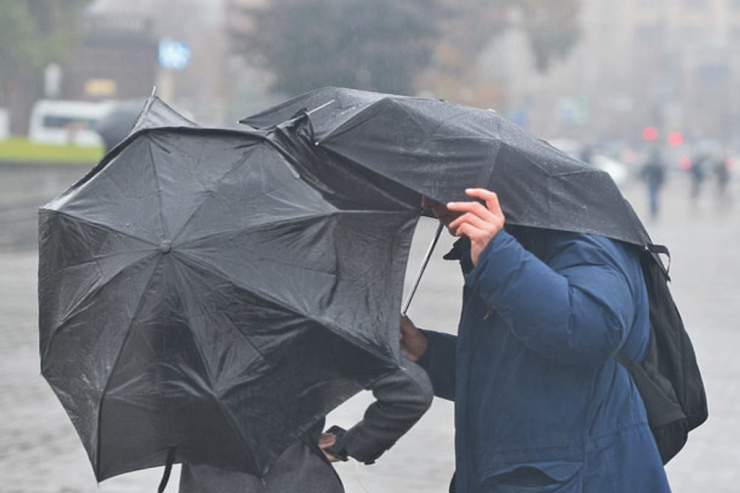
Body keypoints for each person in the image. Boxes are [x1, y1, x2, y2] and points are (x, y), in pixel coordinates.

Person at [400, 188, 672, 492]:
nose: (425, 202)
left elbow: (592, 332)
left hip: (579, 478)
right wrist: (427, 352)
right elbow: (514, 373)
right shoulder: (509, 240)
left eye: (438, 185)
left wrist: (497, 256)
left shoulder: (584, 237)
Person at [178, 352, 433, 493]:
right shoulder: (309, 320)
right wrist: (351, 444)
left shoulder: (170, 336)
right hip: (303, 482)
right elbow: (411, 392)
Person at [640, 149, 666, 219]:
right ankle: (655, 211)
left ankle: (652, 211)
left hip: (651, 180)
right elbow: (662, 174)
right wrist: (662, 182)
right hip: (656, 181)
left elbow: (643, 171)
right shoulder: (659, 163)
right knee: (655, 197)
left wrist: (643, 179)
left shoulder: (650, 162)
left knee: (652, 197)